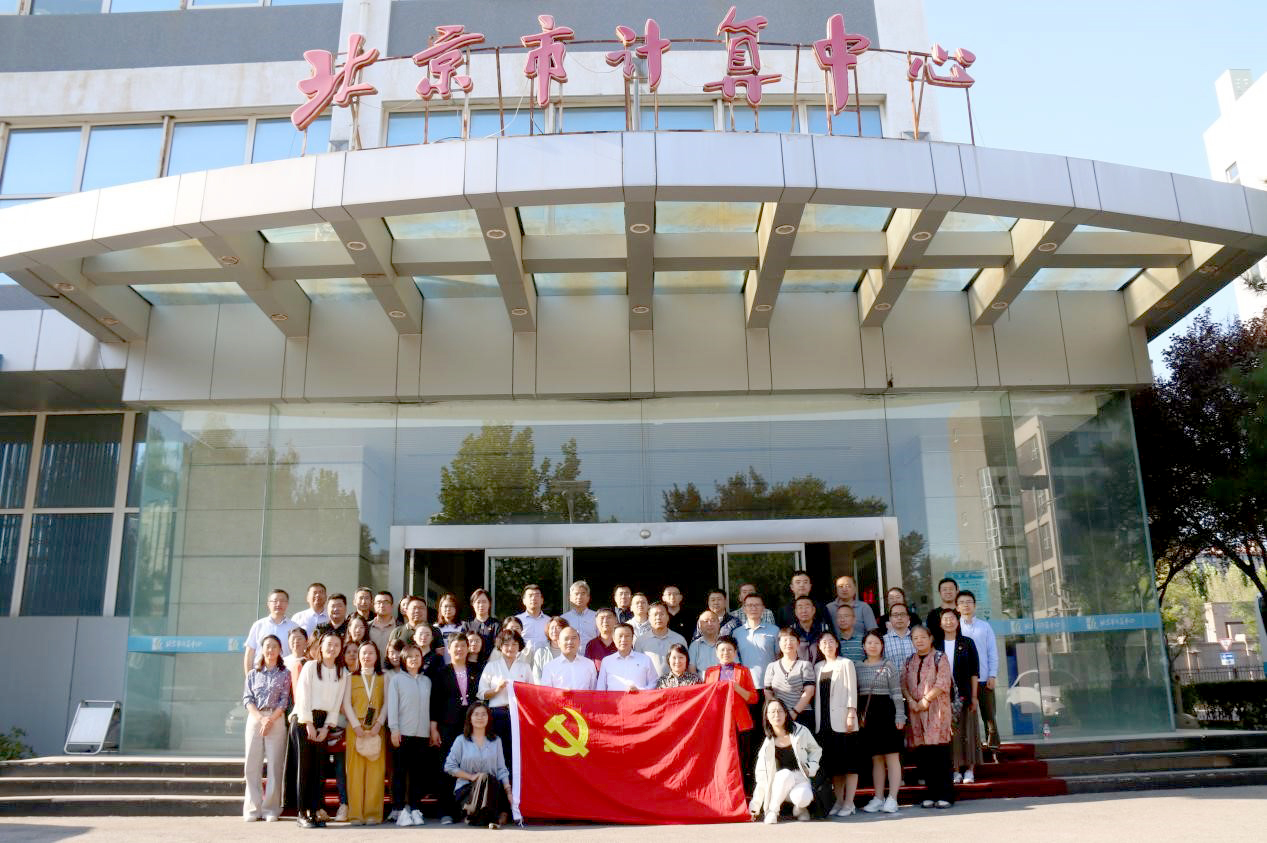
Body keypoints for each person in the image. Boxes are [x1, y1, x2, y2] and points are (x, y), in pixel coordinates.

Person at [294, 632, 349, 828]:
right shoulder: (310, 666)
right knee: (304, 768)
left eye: (336, 645)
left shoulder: (342, 672)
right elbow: (302, 695)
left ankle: (316, 811)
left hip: (324, 722)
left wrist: (326, 727)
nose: (332, 648)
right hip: (303, 719)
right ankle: (302, 813)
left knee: (319, 770)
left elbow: (336, 704)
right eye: (328, 644)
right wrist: (308, 723)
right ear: (321, 646)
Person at [903, 624, 954, 809]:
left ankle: (946, 795)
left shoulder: (940, 657)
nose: (919, 641)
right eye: (915, 638)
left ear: (931, 638)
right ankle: (931, 794)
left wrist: (925, 700)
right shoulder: (910, 660)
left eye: (923, 637)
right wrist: (911, 701)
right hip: (916, 712)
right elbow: (903, 683)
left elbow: (943, 682)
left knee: (940, 753)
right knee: (925, 755)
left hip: (936, 710)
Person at [749, 698, 822, 824]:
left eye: (780, 711)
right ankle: (773, 811)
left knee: (803, 797)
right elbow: (761, 778)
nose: (776, 715)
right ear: (767, 717)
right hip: (779, 783)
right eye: (772, 712)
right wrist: (754, 809)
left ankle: (800, 808)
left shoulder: (800, 731)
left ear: (786, 713)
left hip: (800, 777)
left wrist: (810, 767)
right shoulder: (767, 745)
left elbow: (816, 750)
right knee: (785, 774)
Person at [243, 634, 291, 822]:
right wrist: (261, 719)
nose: (270, 650)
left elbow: (284, 700)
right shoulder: (253, 674)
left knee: (275, 764)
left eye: (274, 647)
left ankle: (271, 808)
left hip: (276, 719)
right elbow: (248, 699)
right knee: (251, 764)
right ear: (262, 650)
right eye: (267, 646)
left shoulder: (285, 673)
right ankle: (252, 808)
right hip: (255, 718)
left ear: (280, 650)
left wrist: (270, 719)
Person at [856, 630, 905, 815]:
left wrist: (900, 715)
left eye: (877, 643)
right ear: (863, 646)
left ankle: (892, 798)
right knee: (876, 758)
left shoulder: (888, 665)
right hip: (868, 717)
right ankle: (878, 797)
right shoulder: (857, 666)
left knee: (892, 757)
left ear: (882, 646)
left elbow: (896, 692)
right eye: (869, 643)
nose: (873, 646)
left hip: (887, 714)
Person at [387, 643, 434, 827]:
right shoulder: (397, 680)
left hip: (422, 734)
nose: (414, 659)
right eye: (410, 656)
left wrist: (430, 731)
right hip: (402, 733)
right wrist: (394, 729)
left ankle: (414, 808)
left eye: (417, 656)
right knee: (399, 773)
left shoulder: (426, 681)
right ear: (403, 660)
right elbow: (392, 706)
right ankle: (400, 810)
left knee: (417, 774)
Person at [443, 703, 512, 829]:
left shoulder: (496, 741)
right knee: (483, 778)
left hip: (491, 789)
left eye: (484, 714)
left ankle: (477, 816)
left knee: (487, 778)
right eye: (476, 714)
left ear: (488, 718)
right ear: (470, 718)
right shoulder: (461, 740)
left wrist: (508, 792)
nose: (480, 717)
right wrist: (471, 777)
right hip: (467, 790)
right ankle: (489, 817)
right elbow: (449, 766)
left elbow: (501, 769)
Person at [812, 630, 858, 817]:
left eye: (831, 641)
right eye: (824, 642)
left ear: (837, 644)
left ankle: (849, 802)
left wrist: (851, 713)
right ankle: (838, 801)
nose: (827, 645)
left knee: (850, 765)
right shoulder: (817, 667)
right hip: (823, 723)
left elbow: (852, 690)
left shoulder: (845, 663)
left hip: (843, 721)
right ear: (819, 646)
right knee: (835, 767)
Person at [342, 641, 387, 825]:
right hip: (356, 728)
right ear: (359, 657)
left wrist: (379, 723)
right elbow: (346, 704)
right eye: (364, 653)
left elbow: (387, 703)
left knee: (375, 771)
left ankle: (373, 814)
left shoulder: (383, 678)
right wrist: (355, 725)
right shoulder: (350, 678)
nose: (367, 656)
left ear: (377, 656)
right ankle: (356, 815)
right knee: (354, 771)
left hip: (376, 728)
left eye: (371, 653)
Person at [476, 630, 534, 771]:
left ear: (519, 646)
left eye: (514, 644)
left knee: (516, 754)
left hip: (518, 715)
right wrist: (496, 690)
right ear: (500, 646)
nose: (510, 648)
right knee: (496, 752)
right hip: (497, 714)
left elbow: (531, 694)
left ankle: (513, 783)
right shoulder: (492, 666)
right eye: (506, 644)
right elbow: (481, 694)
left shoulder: (525, 667)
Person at [940, 610, 982, 785]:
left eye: (952, 619)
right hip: (944, 696)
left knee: (969, 731)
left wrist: (974, 696)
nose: (949, 622)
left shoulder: (967, 642)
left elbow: (974, 672)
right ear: (940, 623)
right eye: (945, 619)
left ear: (958, 622)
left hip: (965, 694)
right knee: (953, 734)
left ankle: (970, 769)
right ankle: (956, 769)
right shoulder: (936, 644)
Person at [957, 590, 1000, 750]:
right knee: (966, 716)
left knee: (989, 716)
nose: (966, 605)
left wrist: (992, 674)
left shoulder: (985, 626)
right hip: (963, 681)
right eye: (962, 602)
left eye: (969, 602)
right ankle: (970, 749)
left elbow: (992, 652)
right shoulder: (955, 627)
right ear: (957, 607)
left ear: (974, 606)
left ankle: (993, 748)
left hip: (984, 679)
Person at [282, 627, 309, 816]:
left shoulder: (310, 662)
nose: (296, 642)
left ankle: (300, 802)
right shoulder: (283, 662)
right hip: (283, 712)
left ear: (306, 641)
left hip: (301, 715)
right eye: (292, 639)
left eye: (300, 638)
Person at [764, 628, 816, 724]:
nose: (788, 643)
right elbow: (768, 692)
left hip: (802, 714)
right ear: (779, 644)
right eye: (785, 640)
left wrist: (794, 712)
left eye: (792, 639)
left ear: (798, 643)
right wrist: (778, 711)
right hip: (779, 716)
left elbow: (809, 692)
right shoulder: (772, 666)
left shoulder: (805, 665)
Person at [244, 588, 299, 676]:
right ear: (268, 604)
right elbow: (249, 653)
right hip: (260, 673)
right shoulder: (258, 625)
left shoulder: (294, 627)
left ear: (287, 604)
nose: (278, 604)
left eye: (282, 601)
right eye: (275, 601)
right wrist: (248, 677)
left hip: (285, 675)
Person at [735, 592, 780, 696]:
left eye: (757, 605)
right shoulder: (736, 633)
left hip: (770, 685)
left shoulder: (775, 630)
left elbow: (779, 657)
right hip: (745, 687)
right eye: (750, 605)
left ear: (763, 608)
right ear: (744, 609)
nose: (753, 608)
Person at [597, 624, 658, 691]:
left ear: (632, 638)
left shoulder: (645, 660)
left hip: (640, 697)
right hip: (614, 698)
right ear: (614, 639)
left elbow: (654, 683)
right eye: (620, 636)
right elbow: (600, 688)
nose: (623, 639)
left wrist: (640, 690)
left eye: (627, 636)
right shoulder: (607, 661)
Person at [634, 603, 688, 676]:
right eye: (655, 615)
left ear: (668, 617)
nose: (658, 617)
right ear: (649, 618)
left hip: (675, 682)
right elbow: (637, 666)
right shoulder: (641, 641)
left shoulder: (679, 639)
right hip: (649, 682)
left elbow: (686, 665)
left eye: (662, 614)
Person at [826, 575, 876, 639]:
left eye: (847, 586)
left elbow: (872, 631)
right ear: (836, 590)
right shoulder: (829, 608)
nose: (844, 589)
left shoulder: (864, 607)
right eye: (840, 586)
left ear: (855, 589)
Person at [790, 595, 832, 664]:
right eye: (800, 607)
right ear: (795, 612)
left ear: (813, 610)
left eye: (807, 607)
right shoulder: (791, 631)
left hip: (822, 667)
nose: (804, 611)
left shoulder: (824, 628)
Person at [559, 580, 599, 650]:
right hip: (571, 655)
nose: (579, 597)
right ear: (570, 598)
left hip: (592, 654)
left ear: (588, 597)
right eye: (576, 594)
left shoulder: (597, 617)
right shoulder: (563, 619)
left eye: (583, 593)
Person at [515, 584, 551, 651]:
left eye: (537, 595)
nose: (533, 598)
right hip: (522, 656)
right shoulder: (516, 621)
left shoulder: (549, 621)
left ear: (542, 600)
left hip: (544, 656)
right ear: (524, 601)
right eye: (530, 596)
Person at [882, 603, 915, 673]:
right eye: (895, 615)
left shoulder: (917, 638)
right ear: (890, 619)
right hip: (893, 679)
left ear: (908, 617)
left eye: (902, 614)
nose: (899, 618)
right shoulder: (883, 641)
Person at [926, 577, 959, 647]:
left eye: (951, 589)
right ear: (940, 592)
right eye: (944, 589)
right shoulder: (933, 614)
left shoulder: (962, 612)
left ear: (957, 591)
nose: (948, 592)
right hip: (939, 651)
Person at [368, 590, 396, 656]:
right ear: (374, 606)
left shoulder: (399, 627)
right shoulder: (366, 626)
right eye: (378, 602)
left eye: (386, 602)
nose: (382, 605)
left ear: (392, 606)